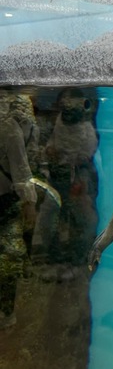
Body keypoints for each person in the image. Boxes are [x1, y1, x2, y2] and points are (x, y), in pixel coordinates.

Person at [0, 92, 38, 329]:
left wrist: (28, 203)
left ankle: (6, 311)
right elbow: (22, 170)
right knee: (9, 255)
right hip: (6, 200)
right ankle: (6, 312)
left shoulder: (8, 127)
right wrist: (29, 204)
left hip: (5, 200)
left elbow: (22, 170)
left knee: (9, 255)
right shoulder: (9, 128)